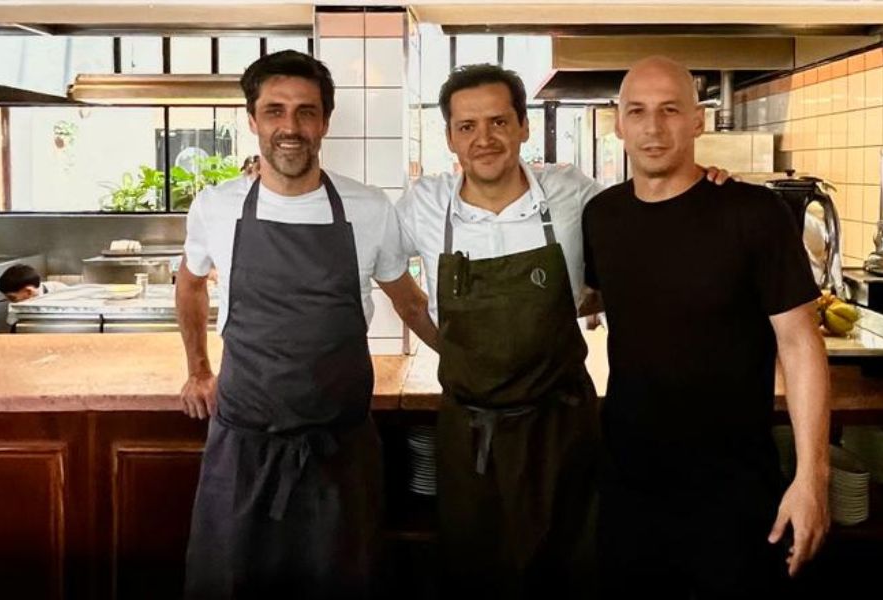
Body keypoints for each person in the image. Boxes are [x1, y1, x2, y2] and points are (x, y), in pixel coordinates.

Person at [393, 63, 729, 598]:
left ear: (524, 126)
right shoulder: (423, 205)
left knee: (570, 572)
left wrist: (701, 182)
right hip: (469, 433)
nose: (484, 139)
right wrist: (449, 347)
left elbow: (644, 219)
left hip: (560, 428)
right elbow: (391, 280)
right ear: (450, 136)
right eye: (467, 126)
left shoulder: (573, 195)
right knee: (474, 576)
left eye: (499, 122)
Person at [176, 50, 428, 598]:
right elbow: (189, 283)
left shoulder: (367, 208)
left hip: (339, 450)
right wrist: (198, 370)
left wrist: (464, 355)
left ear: (325, 122)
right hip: (243, 446)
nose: (290, 127)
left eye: (306, 112)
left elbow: (408, 301)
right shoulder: (216, 206)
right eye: (275, 111)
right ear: (253, 120)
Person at [581, 56, 831, 599]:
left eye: (670, 110)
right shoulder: (601, 215)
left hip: (732, 489)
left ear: (698, 120)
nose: (653, 128)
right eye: (637, 112)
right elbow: (603, 297)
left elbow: (800, 343)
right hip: (629, 485)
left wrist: (813, 478)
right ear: (617, 123)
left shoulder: (753, 213)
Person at [0, 263, 67, 302]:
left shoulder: (62, 292)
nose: (10, 302)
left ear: (29, 292)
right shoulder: (18, 301)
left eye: (12, 298)